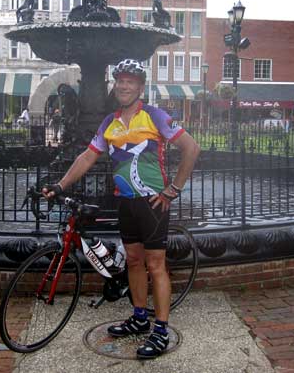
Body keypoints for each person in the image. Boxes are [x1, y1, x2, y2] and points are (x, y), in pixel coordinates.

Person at [42, 58, 200, 360]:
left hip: (154, 202)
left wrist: (173, 190)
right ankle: (140, 317)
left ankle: (161, 329)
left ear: (140, 87)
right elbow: (87, 158)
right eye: (120, 81)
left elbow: (191, 149)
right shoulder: (109, 122)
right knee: (134, 261)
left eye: (131, 82)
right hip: (125, 202)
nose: (124, 86)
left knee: (156, 265)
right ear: (115, 86)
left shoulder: (154, 116)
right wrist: (61, 185)